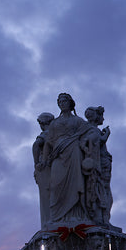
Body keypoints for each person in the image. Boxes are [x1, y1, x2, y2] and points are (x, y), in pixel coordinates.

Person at [38, 93, 92, 227]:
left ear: (70, 103)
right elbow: (48, 144)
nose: (62, 103)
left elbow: (90, 132)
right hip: (58, 154)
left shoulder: (78, 121)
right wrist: (44, 161)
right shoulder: (55, 123)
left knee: (75, 183)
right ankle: (56, 217)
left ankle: (76, 215)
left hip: (74, 153)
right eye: (60, 102)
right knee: (56, 185)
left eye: (64, 101)